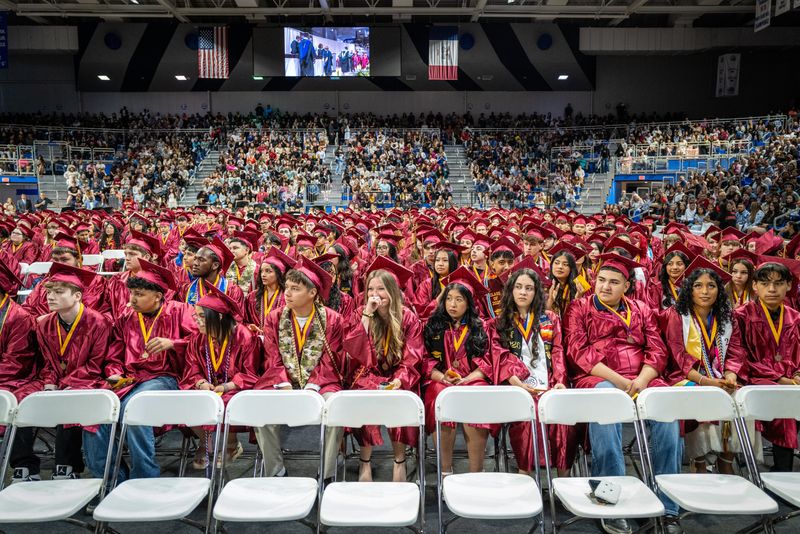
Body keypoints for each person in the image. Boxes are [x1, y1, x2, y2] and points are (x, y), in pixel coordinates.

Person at [564, 253, 683, 534]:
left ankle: (667, 504)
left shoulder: (641, 309)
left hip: (642, 378)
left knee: (666, 409)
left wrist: (642, 380)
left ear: (627, 286)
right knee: (608, 403)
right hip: (598, 378)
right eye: (601, 280)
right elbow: (578, 352)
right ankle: (609, 497)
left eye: (614, 282)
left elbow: (657, 350)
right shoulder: (579, 308)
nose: (605, 287)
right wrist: (619, 381)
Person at [83, 259, 198, 482]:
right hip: (129, 380)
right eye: (132, 293)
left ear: (158, 295)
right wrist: (114, 371)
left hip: (166, 377)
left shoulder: (181, 311)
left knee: (134, 409)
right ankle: (110, 479)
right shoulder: (126, 318)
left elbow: (201, 341)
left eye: (139, 294)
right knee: (95, 414)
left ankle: (144, 476)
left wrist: (174, 343)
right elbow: (114, 353)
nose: (132, 299)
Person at [12, 263, 112, 482]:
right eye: (48, 292)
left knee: (69, 399)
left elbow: (95, 365)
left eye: (58, 292)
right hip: (52, 379)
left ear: (77, 296)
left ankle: (66, 466)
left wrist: (65, 383)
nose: (50, 297)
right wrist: (49, 382)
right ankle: (25, 466)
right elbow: (47, 362)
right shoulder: (44, 324)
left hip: (88, 380)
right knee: (19, 399)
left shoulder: (98, 322)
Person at [253, 257, 348, 480]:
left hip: (321, 382)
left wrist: (312, 388)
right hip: (281, 380)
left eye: (295, 289)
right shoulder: (274, 318)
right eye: (287, 288)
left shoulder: (333, 320)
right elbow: (272, 356)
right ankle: (275, 470)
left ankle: (327, 472)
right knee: (259, 408)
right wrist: (284, 384)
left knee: (336, 406)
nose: (287, 294)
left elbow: (329, 359)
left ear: (313, 293)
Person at [488, 260, 574, 477]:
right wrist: (513, 379)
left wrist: (560, 381)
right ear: (510, 291)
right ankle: (524, 473)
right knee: (529, 413)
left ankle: (563, 480)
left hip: (550, 385)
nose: (523, 292)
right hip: (516, 387)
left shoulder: (550, 319)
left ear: (537, 292)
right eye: (518, 287)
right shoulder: (500, 322)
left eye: (529, 288)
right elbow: (500, 354)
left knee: (563, 417)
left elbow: (558, 351)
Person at [664, 257, 748, 475]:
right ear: (689, 289)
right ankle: (699, 460)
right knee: (699, 395)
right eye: (698, 285)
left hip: (720, 375)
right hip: (685, 375)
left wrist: (730, 374)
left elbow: (736, 350)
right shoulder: (678, 315)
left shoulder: (727, 316)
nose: (705, 291)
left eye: (711, 286)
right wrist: (707, 381)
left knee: (742, 397)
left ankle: (726, 459)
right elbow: (678, 356)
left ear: (719, 290)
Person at [344, 258, 424, 482]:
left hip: (399, 376)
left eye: (380, 288)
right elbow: (355, 352)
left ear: (392, 291)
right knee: (365, 397)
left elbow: (413, 357)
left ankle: (399, 461)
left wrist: (399, 380)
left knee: (399, 397)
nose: (374, 293)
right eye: (370, 288)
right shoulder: (361, 312)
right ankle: (364, 462)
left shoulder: (408, 317)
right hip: (367, 374)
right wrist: (367, 315)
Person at [422, 266, 505, 475]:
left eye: (459, 299)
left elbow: (490, 360)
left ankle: (476, 471)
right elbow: (424, 358)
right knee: (436, 393)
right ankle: (445, 470)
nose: (452, 304)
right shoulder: (433, 325)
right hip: (442, 379)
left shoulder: (483, 327)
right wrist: (441, 376)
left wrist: (470, 378)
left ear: (469, 302)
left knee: (476, 394)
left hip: (473, 379)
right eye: (449, 298)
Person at [182, 284, 261, 469]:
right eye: (196, 316)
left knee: (225, 401)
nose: (197, 321)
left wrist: (227, 386)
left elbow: (251, 373)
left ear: (217, 316)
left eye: (202, 316)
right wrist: (201, 383)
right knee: (185, 400)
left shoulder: (243, 336)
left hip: (235, 387)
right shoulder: (198, 337)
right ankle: (206, 441)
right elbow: (191, 366)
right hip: (208, 387)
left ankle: (231, 444)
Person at [735, 262, 800, 472]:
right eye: (765, 283)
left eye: (779, 283)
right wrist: (781, 379)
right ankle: (784, 472)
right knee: (785, 406)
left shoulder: (795, 317)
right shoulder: (741, 316)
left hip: (792, 379)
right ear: (755, 286)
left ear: (789, 286)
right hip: (756, 378)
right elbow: (740, 357)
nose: (772, 289)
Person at [0, 258, 40, 482]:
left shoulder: (18, 317)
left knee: (14, 400)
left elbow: (17, 362)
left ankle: (24, 465)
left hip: (19, 377)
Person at [22, 233, 110, 318]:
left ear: (79, 259)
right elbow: (28, 308)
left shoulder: (95, 281)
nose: (59, 264)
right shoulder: (45, 282)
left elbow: (100, 312)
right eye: (55, 259)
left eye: (64, 259)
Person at [180, 236, 245, 308]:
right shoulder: (186, 289)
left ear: (215, 265)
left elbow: (237, 318)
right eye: (195, 259)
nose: (195, 263)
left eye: (201, 260)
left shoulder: (232, 291)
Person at [244, 247, 295, 331]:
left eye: (268, 271)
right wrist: (250, 327)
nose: (263, 275)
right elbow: (245, 321)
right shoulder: (252, 296)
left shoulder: (288, 297)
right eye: (261, 271)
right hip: (255, 341)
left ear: (279, 274)